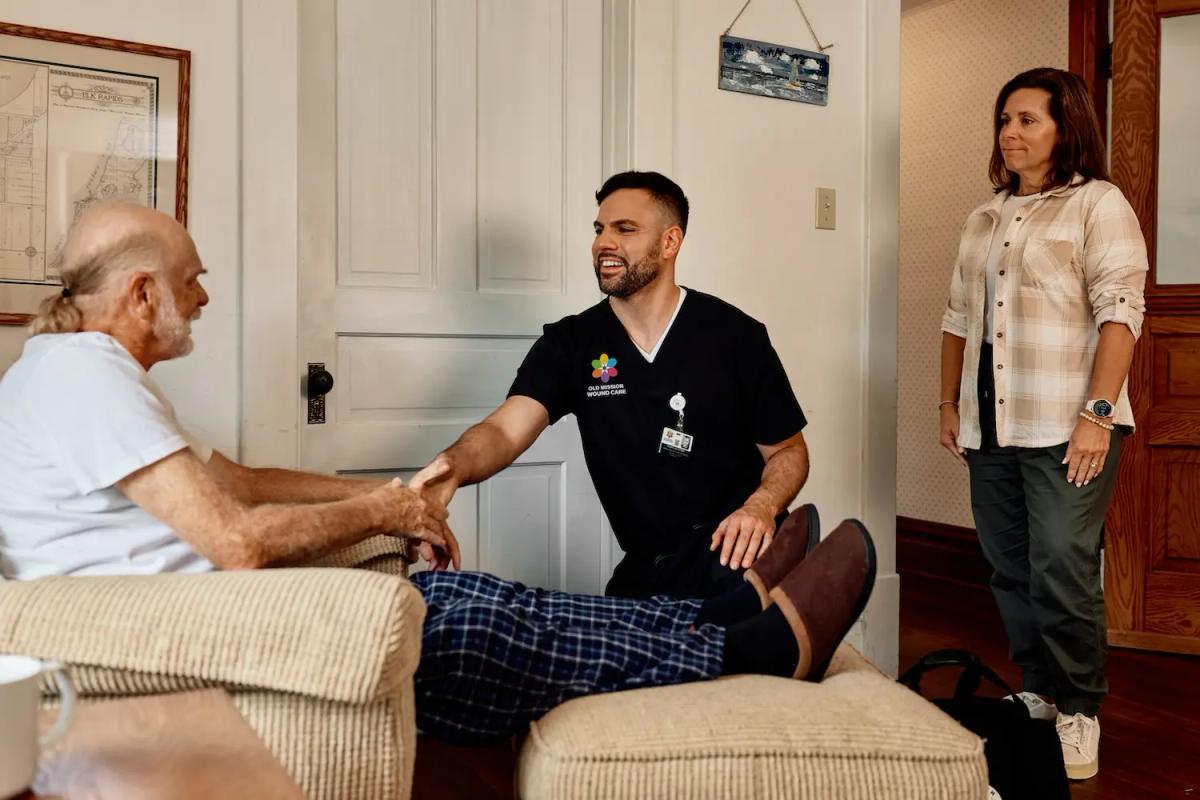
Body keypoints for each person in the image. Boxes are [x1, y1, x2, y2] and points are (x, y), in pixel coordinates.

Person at [0, 201, 876, 746]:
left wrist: (391, 498)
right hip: (200, 620)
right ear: (143, 292)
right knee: (468, 615)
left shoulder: (75, 373)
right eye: (190, 280)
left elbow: (233, 477)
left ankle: (717, 613)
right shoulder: (85, 374)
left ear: (672, 240)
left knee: (479, 608)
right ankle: (742, 644)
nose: (202, 296)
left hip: (200, 609)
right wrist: (402, 500)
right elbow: (235, 535)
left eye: (624, 227)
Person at [412, 171, 810, 600]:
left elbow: (789, 450)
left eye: (625, 229)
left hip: (736, 551)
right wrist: (445, 473)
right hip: (650, 564)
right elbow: (503, 430)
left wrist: (761, 508)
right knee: (600, 648)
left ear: (670, 242)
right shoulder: (571, 344)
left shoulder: (735, 336)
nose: (604, 243)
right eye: (600, 229)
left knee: (730, 643)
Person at [937, 68, 1147, 781]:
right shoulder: (984, 216)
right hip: (992, 423)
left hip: (1069, 422)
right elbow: (959, 321)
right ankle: (1039, 689)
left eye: (1027, 119)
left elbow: (1121, 311)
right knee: (1009, 564)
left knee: (1061, 561)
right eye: (1005, 120)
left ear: (1066, 127)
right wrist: (949, 406)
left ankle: (1080, 706)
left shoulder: (1098, 204)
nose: (1011, 133)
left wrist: (1097, 415)